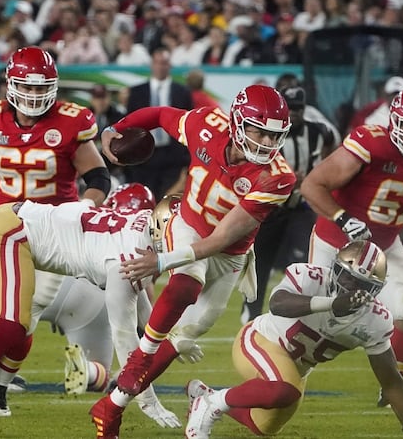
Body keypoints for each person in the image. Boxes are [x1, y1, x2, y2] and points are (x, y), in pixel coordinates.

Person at [90, 84, 296, 438]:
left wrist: (160, 263)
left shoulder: (277, 178)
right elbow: (157, 115)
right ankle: (140, 358)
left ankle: (112, 405)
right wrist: (115, 129)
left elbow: (221, 240)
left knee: (187, 334)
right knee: (186, 283)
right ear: (236, 123)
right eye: (258, 130)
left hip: (230, 254)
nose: (265, 142)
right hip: (187, 224)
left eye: (273, 135)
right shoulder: (206, 125)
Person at [0, 189, 184, 426]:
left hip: (19, 224)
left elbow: (142, 309)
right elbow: (127, 342)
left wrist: (170, 337)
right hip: (15, 232)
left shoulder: (145, 223)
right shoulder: (126, 261)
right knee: (12, 326)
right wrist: (149, 402)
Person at [0, 46, 111, 414]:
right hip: (0, 233)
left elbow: (98, 176)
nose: (33, 96)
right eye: (26, 89)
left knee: (19, 317)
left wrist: (85, 208)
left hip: (49, 235)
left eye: (40, 88)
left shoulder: (69, 122)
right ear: (11, 86)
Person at [300, 86, 403, 409]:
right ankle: (287, 375)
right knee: (318, 321)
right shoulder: (370, 143)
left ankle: (393, 387)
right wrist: (343, 219)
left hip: (384, 245)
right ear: (394, 120)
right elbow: (311, 184)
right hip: (335, 240)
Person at [185, 240, 403, 439]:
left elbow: (391, 382)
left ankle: (206, 395)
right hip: (260, 340)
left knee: (263, 427)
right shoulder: (310, 277)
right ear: (336, 270)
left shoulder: (375, 320)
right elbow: (277, 304)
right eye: (347, 277)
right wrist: (331, 304)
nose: (351, 288)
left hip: (296, 369)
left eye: (362, 284)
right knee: (283, 391)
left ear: (374, 289)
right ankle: (212, 404)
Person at [243, 86, 335, 322]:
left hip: (301, 207)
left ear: (305, 110)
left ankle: (297, 313)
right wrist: (287, 179)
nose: (293, 113)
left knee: (304, 260)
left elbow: (332, 147)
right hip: (272, 207)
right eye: (290, 108)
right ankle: (251, 311)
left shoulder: (318, 132)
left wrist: (318, 176)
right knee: (260, 262)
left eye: (298, 109)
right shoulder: (268, 133)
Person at [124, 46, 193, 200]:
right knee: (143, 199)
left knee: (167, 200)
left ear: (169, 65)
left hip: (173, 156)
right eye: (158, 62)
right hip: (144, 156)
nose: (161, 66)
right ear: (152, 64)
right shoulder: (136, 92)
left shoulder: (182, 92)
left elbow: (190, 125)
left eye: (164, 63)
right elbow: (129, 124)